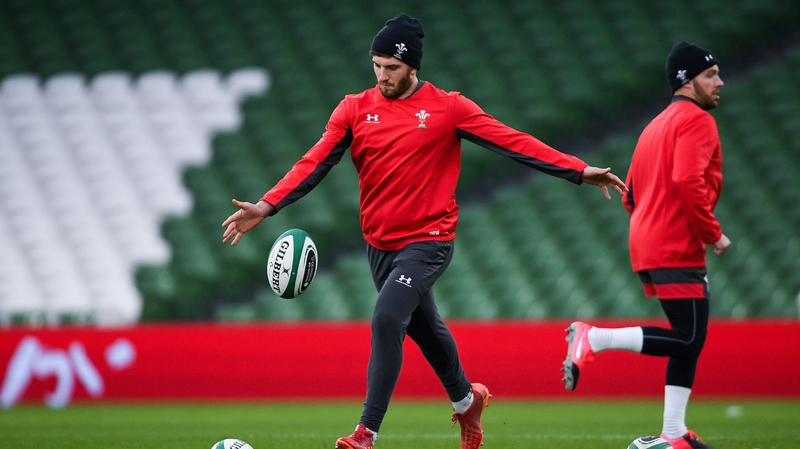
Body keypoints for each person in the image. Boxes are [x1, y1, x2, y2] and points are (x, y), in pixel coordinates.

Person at [223, 13, 627, 449]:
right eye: (376, 65)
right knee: (426, 330)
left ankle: (366, 432)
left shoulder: (448, 108)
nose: (382, 75)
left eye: (391, 67)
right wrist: (267, 205)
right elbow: (314, 162)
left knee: (386, 317)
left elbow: (512, 140)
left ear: (413, 66)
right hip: (379, 245)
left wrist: (578, 170)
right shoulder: (353, 109)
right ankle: (468, 401)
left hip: (429, 241)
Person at [561, 41, 730, 449]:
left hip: (650, 240)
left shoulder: (654, 125)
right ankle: (594, 338)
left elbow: (631, 195)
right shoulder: (697, 121)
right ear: (686, 81)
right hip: (676, 242)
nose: (719, 82)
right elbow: (688, 181)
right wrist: (713, 233)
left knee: (687, 337)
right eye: (710, 75)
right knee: (689, 338)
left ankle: (674, 433)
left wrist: (651, 222)